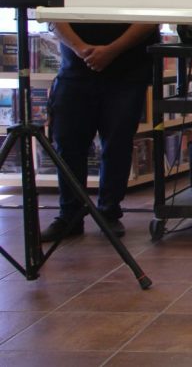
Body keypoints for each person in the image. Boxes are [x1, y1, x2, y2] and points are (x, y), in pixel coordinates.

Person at [40, 22, 160, 241]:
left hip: (127, 72)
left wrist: (111, 50)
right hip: (75, 69)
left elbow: (149, 19)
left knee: (117, 144)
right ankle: (69, 216)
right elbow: (54, 17)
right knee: (67, 144)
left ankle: (109, 213)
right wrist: (80, 48)